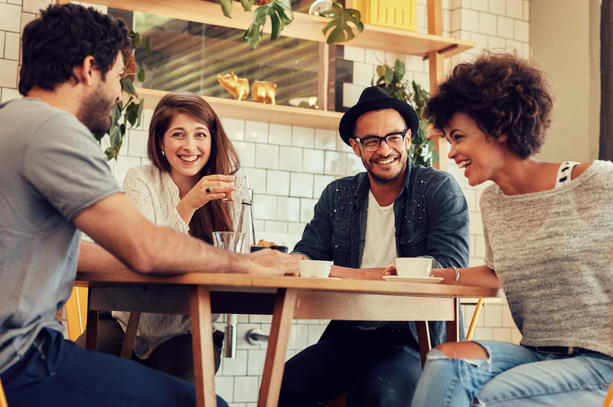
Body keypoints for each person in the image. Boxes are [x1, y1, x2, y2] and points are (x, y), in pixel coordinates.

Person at [0, 4, 297, 406]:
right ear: (90, 69)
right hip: (24, 358)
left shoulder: (12, 122)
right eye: (119, 77)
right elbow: (146, 248)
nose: (120, 94)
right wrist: (247, 263)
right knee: (207, 403)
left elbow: (79, 255)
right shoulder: (55, 132)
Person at [409, 53, 613, 407]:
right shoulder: (494, 202)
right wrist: (432, 276)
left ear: (498, 127)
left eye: (458, 137)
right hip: (534, 356)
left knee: (491, 397)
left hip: (603, 366)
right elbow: (498, 274)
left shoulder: (595, 182)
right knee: (445, 362)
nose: (452, 153)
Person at [278, 86, 471, 407]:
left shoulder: (437, 188)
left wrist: (352, 274)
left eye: (393, 137)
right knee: (284, 385)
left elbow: (449, 265)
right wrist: (287, 261)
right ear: (356, 147)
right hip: (349, 335)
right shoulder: (338, 195)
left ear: (408, 139)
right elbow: (308, 253)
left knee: (378, 394)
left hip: (414, 339)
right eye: (371, 141)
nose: (384, 150)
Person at [76, 92, 246, 382]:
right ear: (160, 142)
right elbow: (147, 254)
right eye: (178, 134)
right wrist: (188, 204)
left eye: (200, 134)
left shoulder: (231, 187)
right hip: (127, 322)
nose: (190, 146)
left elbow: (236, 256)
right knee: (70, 376)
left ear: (213, 139)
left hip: (189, 331)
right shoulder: (141, 178)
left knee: (183, 389)